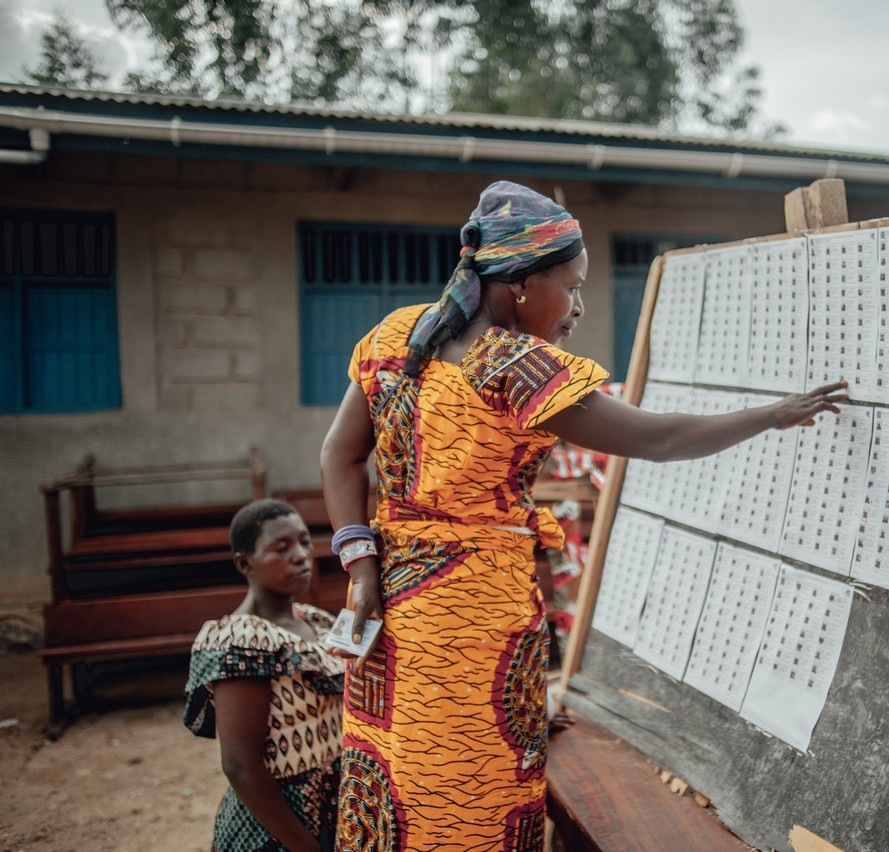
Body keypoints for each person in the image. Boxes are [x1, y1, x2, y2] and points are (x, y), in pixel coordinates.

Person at [320, 179, 847, 850]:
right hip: (469, 631)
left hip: (389, 615)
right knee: (466, 801)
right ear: (519, 285)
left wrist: (361, 565)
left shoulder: (398, 336)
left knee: (395, 787)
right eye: (570, 287)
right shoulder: (513, 365)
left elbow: (338, 456)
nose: (577, 306)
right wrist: (773, 414)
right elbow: (657, 438)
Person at [184, 498, 346, 852]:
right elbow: (241, 766)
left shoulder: (315, 622)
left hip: (337, 814)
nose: (301, 555)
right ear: (245, 563)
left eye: (304, 541)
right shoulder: (242, 641)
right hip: (279, 829)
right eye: (281, 548)